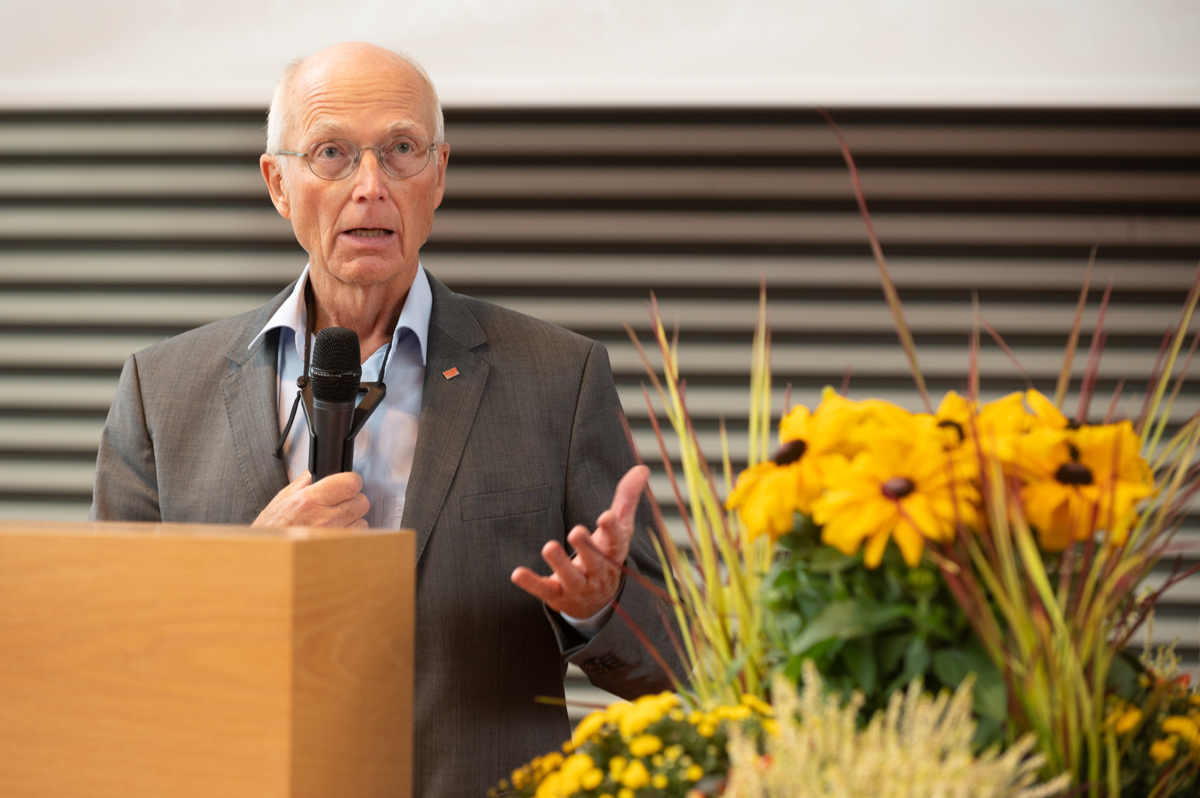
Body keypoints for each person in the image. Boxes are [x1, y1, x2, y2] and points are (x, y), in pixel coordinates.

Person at [90, 42, 680, 797]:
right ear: (278, 183)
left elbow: (678, 666)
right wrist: (246, 579)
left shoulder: (557, 380)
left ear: (438, 176)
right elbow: (106, 662)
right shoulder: (160, 389)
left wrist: (601, 609)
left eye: (401, 150)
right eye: (331, 153)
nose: (370, 187)